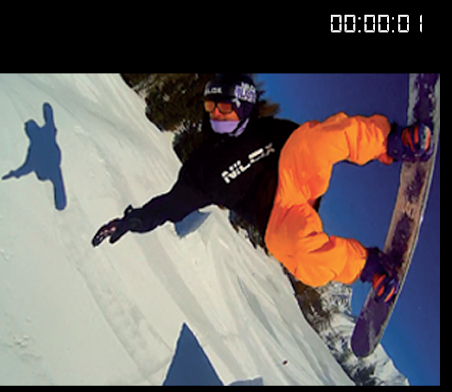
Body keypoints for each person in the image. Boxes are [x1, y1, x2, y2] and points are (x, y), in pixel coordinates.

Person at [92, 74, 433, 301]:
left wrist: (360, 145)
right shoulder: (203, 168)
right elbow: (170, 205)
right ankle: (367, 267)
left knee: (313, 141)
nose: (216, 115)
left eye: (224, 107)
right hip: (279, 219)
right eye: (211, 108)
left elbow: (318, 140)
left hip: (295, 175)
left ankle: (391, 142)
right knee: (291, 251)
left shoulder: (266, 129)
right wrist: (136, 219)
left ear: (242, 107)